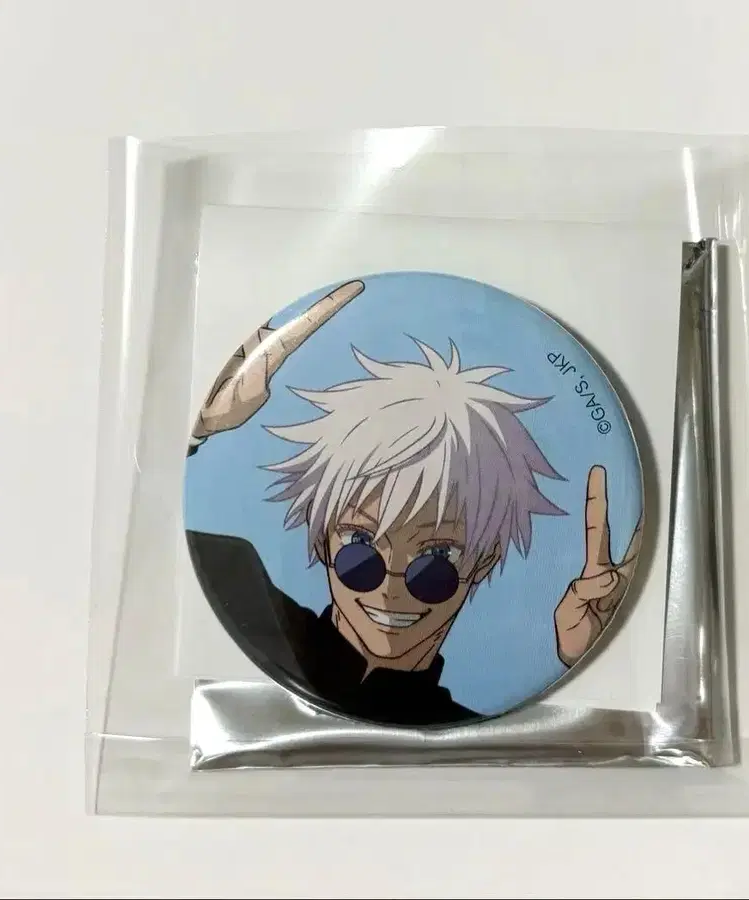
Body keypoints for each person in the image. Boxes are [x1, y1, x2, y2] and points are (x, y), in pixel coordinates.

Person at [186, 281, 642, 726]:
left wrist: (590, 665)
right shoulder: (239, 587)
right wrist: (203, 430)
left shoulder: (475, 721)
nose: (390, 587)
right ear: (323, 539)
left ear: (483, 561)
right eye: (360, 547)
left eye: (436, 559)